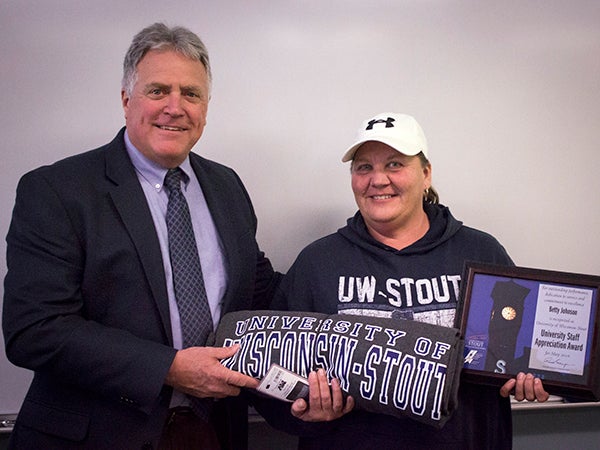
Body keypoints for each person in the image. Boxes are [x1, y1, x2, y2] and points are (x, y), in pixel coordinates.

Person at [2, 23, 280, 450]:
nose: (175, 106)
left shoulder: (227, 186)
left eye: (191, 93)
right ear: (126, 99)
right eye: (157, 91)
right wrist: (168, 367)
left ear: (206, 107)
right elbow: (35, 329)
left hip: (215, 433)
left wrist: (350, 316)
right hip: (95, 438)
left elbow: (257, 289)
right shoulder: (57, 190)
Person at [262, 112, 548, 449]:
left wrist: (533, 375)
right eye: (363, 167)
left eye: (395, 164)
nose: (378, 179)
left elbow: (525, 352)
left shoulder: (480, 251)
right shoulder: (318, 262)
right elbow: (270, 375)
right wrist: (302, 410)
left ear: (426, 174)